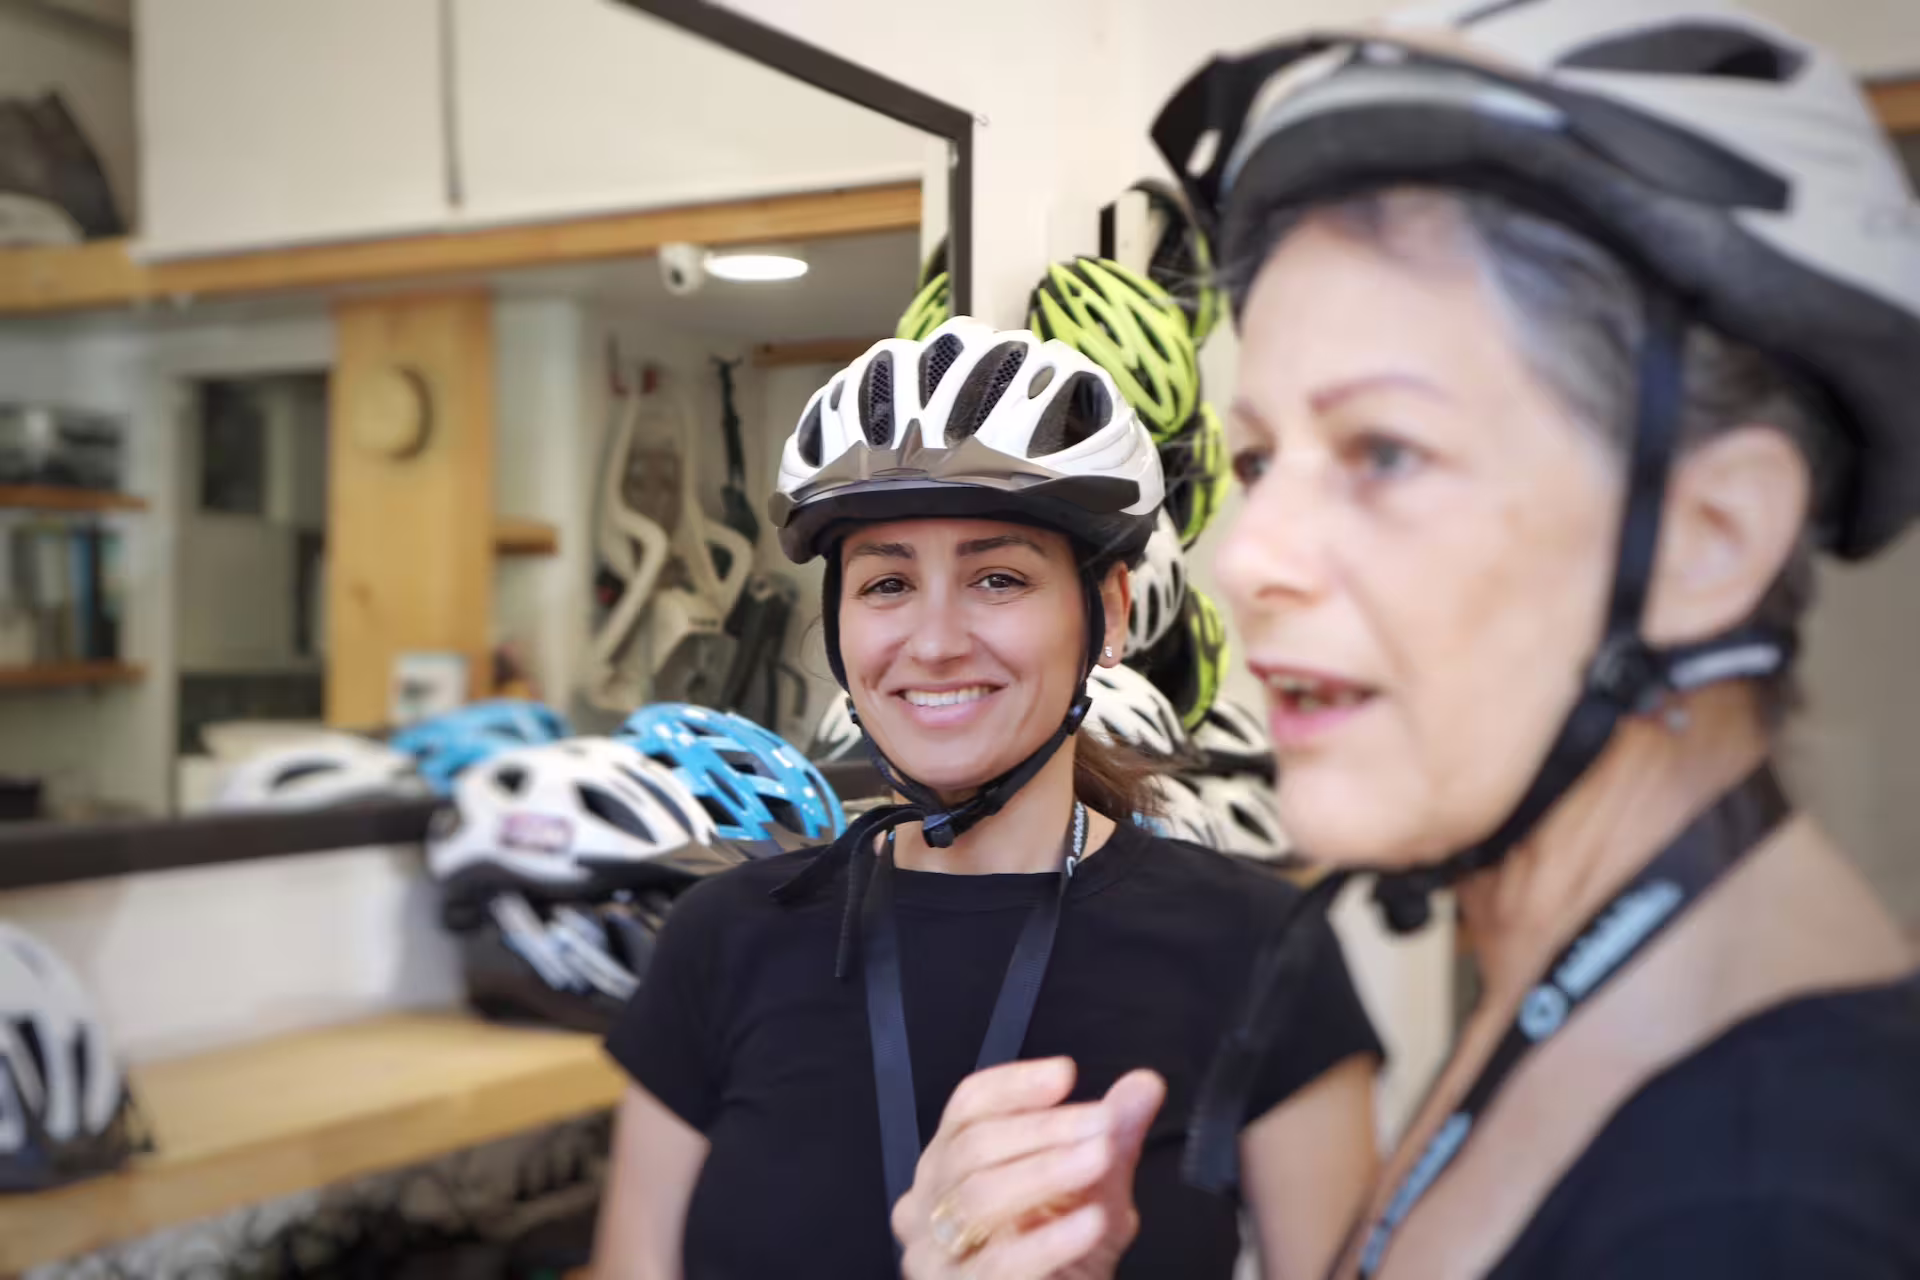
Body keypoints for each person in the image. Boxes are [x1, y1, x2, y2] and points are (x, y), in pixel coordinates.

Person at [1148, 0, 1920, 1276]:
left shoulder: (1766, 1208)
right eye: (1262, 458)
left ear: (1709, 534)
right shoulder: (1588, 996)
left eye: (1383, 452)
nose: (1246, 557)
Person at [590, 320, 1383, 1279]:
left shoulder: (1258, 945)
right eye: (886, 582)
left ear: (1110, 614)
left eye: (997, 578)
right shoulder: (721, 938)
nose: (932, 642)